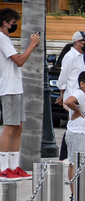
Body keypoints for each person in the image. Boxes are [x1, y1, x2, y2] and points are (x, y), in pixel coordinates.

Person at [0, 8, 40, 181]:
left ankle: (14, 167)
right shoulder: (2, 38)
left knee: (18, 127)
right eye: (13, 23)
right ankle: (3, 169)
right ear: (5, 22)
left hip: (16, 87)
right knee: (9, 127)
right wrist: (32, 44)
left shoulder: (5, 38)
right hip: (9, 88)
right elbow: (19, 61)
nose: (14, 25)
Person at [56, 30, 85, 162]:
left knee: (74, 124)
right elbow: (63, 77)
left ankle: (68, 155)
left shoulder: (79, 56)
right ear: (78, 42)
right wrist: (62, 95)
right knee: (73, 124)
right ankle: (65, 156)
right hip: (72, 96)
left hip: (78, 96)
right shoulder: (70, 56)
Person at [64, 71, 85, 201]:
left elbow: (66, 104)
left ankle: (77, 193)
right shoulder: (79, 93)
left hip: (79, 132)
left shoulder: (84, 95)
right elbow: (68, 101)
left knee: (75, 163)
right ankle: (75, 195)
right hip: (78, 134)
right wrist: (77, 112)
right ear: (82, 84)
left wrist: (73, 111)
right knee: (76, 164)